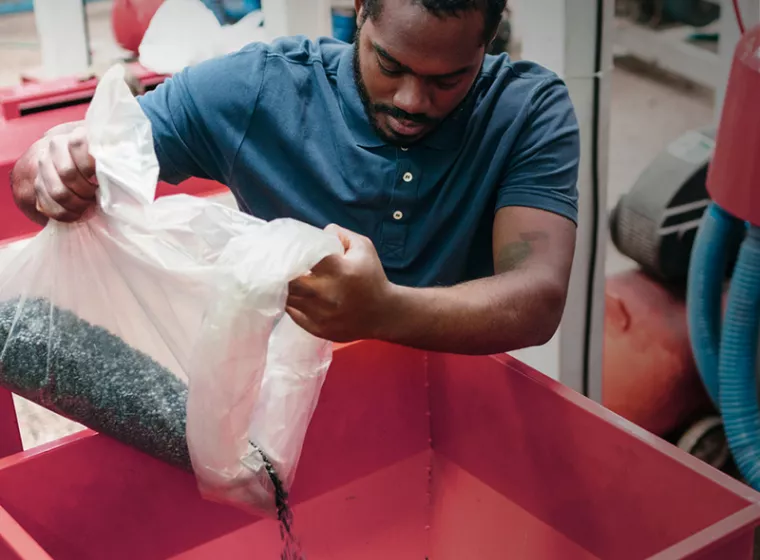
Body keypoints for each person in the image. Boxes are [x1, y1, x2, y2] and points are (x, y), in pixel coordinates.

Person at [10, 0, 580, 355]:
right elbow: (51, 173)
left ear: (489, 37)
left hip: (456, 414)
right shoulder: (260, 90)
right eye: (390, 65)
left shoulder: (527, 112)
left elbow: (537, 299)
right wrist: (50, 168)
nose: (412, 100)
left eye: (449, 79)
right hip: (278, 412)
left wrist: (386, 312)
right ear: (361, 9)